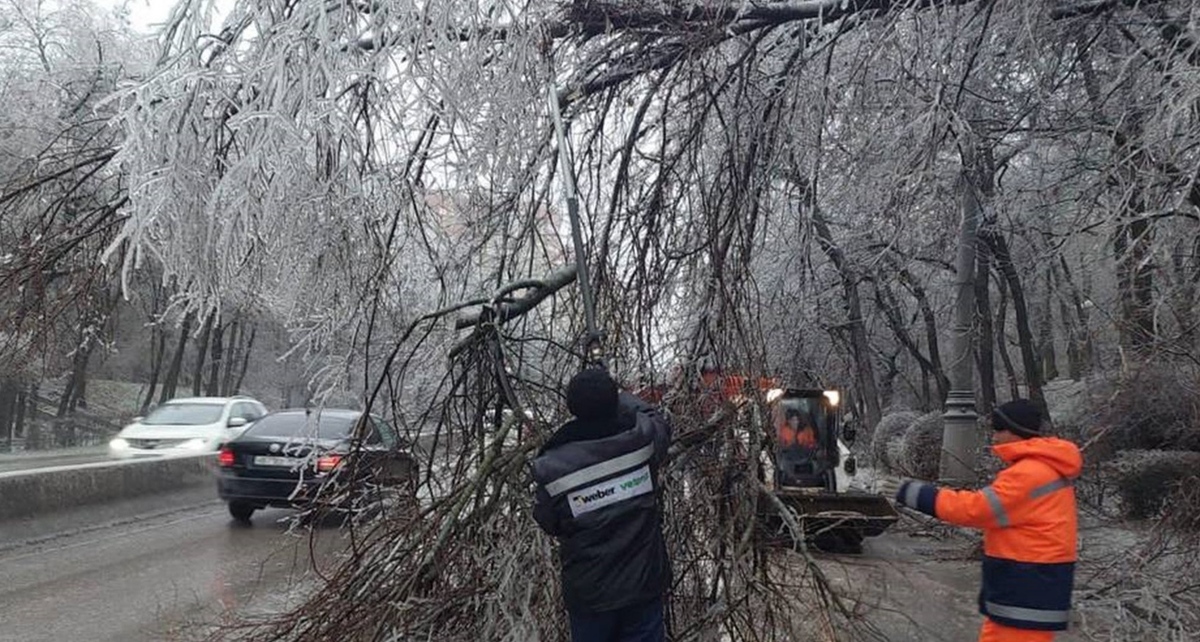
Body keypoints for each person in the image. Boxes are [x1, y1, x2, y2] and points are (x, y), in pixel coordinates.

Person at [892, 399, 1082, 642]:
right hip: (1033, 585)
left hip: (1025, 586)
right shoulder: (1043, 468)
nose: (994, 437)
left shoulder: (1028, 474)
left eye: (999, 429)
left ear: (1016, 432)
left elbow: (977, 510)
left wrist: (916, 494)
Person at [531, 367, 674, 642]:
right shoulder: (641, 440)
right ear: (613, 401)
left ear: (572, 407)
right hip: (642, 586)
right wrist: (622, 395)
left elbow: (548, 520)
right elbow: (657, 419)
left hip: (590, 597)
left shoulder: (552, 467)